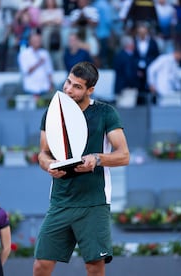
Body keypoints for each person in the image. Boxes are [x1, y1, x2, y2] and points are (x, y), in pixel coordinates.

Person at [33, 61, 130, 276]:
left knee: (94, 268)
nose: (68, 89)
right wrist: (49, 164)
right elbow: (43, 153)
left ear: (90, 90)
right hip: (60, 200)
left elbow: (124, 155)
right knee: (41, 265)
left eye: (77, 86)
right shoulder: (52, 112)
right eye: (68, 82)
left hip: (93, 202)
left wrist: (97, 159)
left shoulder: (105, 113)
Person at [18, 32, 54, 102]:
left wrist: (51, 84)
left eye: (39, 41)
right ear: (30, 41)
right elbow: (26, 71)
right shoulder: (24, 54)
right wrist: (39, 63)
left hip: (45, 88)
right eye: (35, 41)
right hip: (31, 89)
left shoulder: (45, 53)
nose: (37, 42)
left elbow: (49, 71)